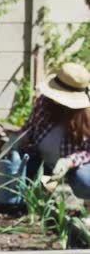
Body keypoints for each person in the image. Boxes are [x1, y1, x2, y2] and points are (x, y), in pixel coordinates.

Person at [16, 62, 90, 199]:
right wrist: (20, 138)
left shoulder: (86, 116)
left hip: (73, 167)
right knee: (14, 163)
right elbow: (30, 127)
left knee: (84, 181)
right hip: (41, 160)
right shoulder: (44, 101)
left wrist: (70, 161)